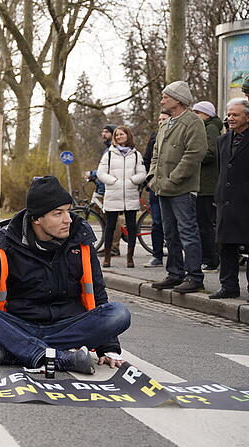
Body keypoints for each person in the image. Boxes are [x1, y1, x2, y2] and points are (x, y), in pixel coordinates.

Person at [0, 176, 131, 375]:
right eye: (58, 213)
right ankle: (59, 357)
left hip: (68, 328)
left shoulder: (80, 237)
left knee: (119, 313)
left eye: (68, 211)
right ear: (36, 218)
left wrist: (108, 347)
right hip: (19, 324)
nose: (68, 219)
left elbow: (97, 293)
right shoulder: (6, 239)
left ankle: (15, 351)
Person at [148, 81, 207, 294]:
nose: (162, 100)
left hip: (182, 189)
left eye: (166, 97)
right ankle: (174, 274)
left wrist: (173, 179)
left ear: (178, 100)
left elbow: (194, 154)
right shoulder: (165, 124)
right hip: (162, 188)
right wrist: (152, 177)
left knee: (188, 233)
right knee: (170, 233)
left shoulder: (193, 122)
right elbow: (156, 153)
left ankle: (194, 277)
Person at [210, 98, 249, 300]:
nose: (230, 118)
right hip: (225, 201)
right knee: (225, 245)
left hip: (246, 202)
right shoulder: (222, 140)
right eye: (229, 114)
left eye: (235, 115)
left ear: (248, 117)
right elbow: (222, 170)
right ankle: (228, 286)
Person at [97, 126, 147, 268]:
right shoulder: (109, 154)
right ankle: (107, 257)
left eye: (122, 134)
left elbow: (142, 174)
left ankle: (130, 258)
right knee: (110, 227)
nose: (119, 137)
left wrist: (131, 181)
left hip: (130, 195)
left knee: (132, 227)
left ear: (127, 135)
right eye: (117, 135)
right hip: (113, 194)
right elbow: (101, 173)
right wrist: (114, 182)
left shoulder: (136, 155)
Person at [192, 101, 222, 272]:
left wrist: (192, 155)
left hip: (207, 185)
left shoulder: (210, 128)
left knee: (205, 224)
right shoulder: (206, 126)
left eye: (198, 112)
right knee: (204, 223)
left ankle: (210, 260)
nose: (195, 115)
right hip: (203, 183)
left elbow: (211, 152)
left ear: (207, 114)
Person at [88, 125, 122, 257]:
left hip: (110, 188)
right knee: (106, 216)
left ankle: (114, 247)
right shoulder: (107, 149)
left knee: (112, 217)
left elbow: (110, 168)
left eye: (107, 132)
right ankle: (110, 244)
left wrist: (92, 173)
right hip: (103, 187)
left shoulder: (113, 150)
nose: (103, 134)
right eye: (102, 131)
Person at [142, 112, 170, 268]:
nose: (161, 121)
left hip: (172, 184)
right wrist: (149, 179)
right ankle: (157, 255)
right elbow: (147, 159)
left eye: (164, 119)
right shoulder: (154, 137)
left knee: (174, 223)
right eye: (159, 119)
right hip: (155, 186)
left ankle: (175, 257)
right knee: (157, 222)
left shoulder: (177, 135)